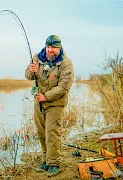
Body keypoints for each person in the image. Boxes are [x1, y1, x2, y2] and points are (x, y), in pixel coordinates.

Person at [25, 35, 74, 177]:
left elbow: (64, 87)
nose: (50, 50)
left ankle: (54, 163)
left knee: (52, 132)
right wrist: (31, 70)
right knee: (41, 132)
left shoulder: (66, 63)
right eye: (48, 47)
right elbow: (28, 76)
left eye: (53, 47)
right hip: (39, 102)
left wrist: (46, 96)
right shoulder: (37, 57)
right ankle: (47, 159)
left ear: (59, 47)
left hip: (55, 103)